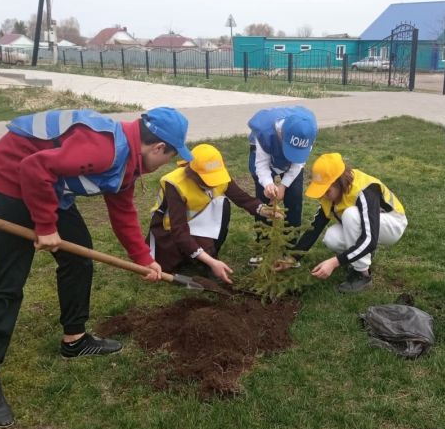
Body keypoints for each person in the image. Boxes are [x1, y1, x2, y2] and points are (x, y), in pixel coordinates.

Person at [0, 107, 193, 428]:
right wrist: (45, 226)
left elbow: (122, 211)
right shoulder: (104, 148)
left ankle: (74, 341)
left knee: (79, 258)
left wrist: (143, 258)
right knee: (7, 281)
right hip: (11, 178)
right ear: (157, 148)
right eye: (169, 158)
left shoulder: (128, 162)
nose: (165, 165)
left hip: (47, 186)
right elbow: (34, 168)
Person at [148, 143, 281, 283]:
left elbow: (243, 199)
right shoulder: (175, 184)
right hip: (169, 230)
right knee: (166, 265)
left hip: (199, 220)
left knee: (222, 204)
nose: (213, 184)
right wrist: (211, 261)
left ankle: (206, 256)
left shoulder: (219, 175)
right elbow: (179, 230)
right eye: (207, 178)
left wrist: (265, 210)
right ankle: (203, 258)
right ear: (193, 173)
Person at [277, 153, 408, 293]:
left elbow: (370, 239)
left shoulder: (364, 191)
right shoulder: (330, 196)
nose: (323, 195)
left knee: (350, 215)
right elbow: (314, 228)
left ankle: (362, 275)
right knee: (331, 237)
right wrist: (292, 258)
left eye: (327, 190)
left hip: (392, 224)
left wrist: (335, 262)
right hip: (367, 226)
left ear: (340, 182)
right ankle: (359, 256)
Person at [247, 106, 318, 265]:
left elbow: (298, 163)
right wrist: (268, 184)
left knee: (294, 200)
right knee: (263, 201)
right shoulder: (265, 133)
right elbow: (262, 165)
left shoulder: (308, 131)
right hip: (264, 158)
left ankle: (291, 248)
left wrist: (284, 186)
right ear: (281, 134)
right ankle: (262, 246)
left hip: (292, 167)